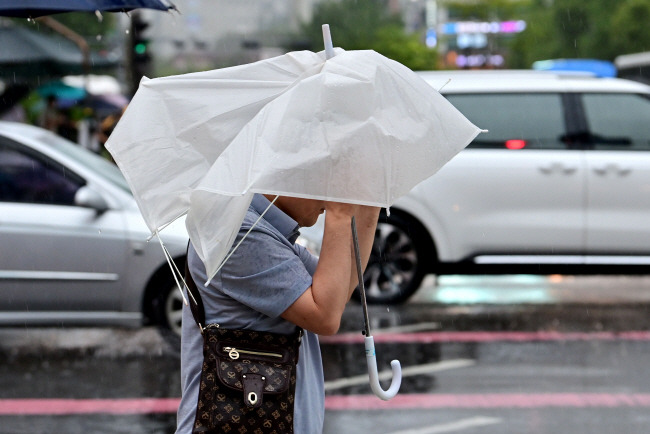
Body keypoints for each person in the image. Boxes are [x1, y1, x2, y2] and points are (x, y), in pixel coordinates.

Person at [176, 193, 380, 433]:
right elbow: (325, 316)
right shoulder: (238, 233)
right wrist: (341, 213)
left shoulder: (261, 229)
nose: (328, 198)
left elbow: (339, 289)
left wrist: (370, 202)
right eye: (325, 178)